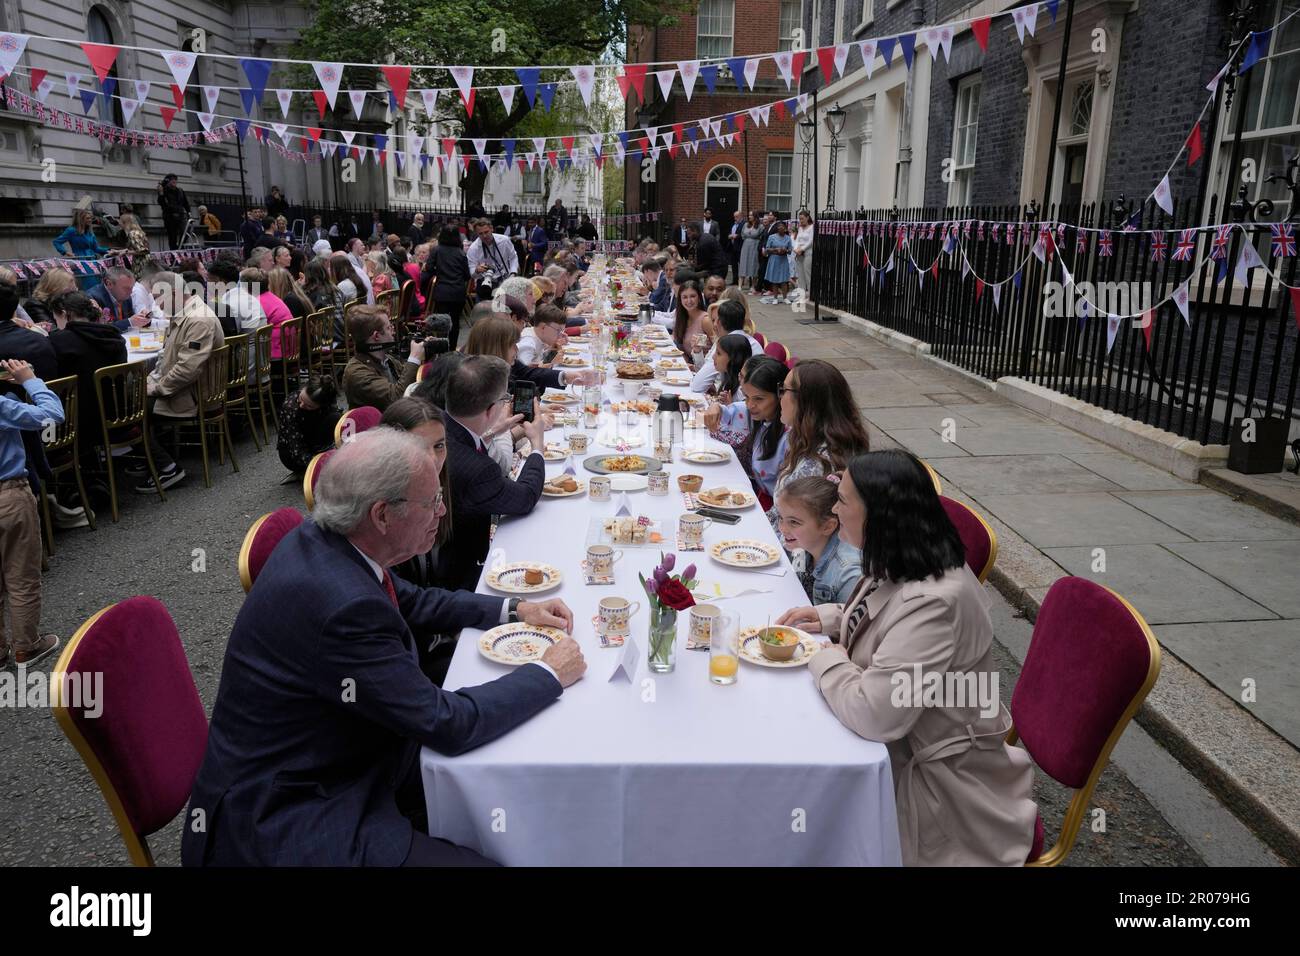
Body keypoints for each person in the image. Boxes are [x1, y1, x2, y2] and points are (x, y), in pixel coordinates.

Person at [183, 426, 585, 866]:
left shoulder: (334, 542)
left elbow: (413, 599)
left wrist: (513, 610)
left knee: (512, 783)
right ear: (382, 515)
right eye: (431, 501)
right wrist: (547, 673)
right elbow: (444, 723)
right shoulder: (344, 606)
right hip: (291, 813)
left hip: (343, 751)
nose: (443, 509)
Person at [777, 450, 1036, 866]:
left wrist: (826, 659)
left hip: (939, 792)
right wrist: (831, 617)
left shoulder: (935, 602)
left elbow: (877, 714)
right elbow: (891, 616)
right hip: (908, 750)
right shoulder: (910, 557)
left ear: (879, 515)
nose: (835, 509)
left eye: (842, 501)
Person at [439, 355, 549, 591]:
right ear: (490, 410)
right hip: (463, 573)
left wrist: (491, 432)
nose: (506, 403)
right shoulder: (478, 470)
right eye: (504, 399)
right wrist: (537, 446)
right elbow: (526, 497)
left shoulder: (439, 424)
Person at [0, 355, 64, 669]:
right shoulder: (2, 406)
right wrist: (30, 380)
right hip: (8, 495)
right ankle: (27, 645)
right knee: (21, 575)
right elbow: (52, 415)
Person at [142, 271, 226, 492]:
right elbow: (167, 362)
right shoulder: (186, 314)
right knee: (130, 401)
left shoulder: (197, 319)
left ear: (174, 293)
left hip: (193, 396)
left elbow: (187, 369)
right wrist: (151, 382)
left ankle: (166, 467)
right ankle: (152, 457)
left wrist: (156, 389)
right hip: (187, 390)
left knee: (128, 411)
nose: (157, 305)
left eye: (158, 298)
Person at [770, 359, 871, 526]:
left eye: (784, 390)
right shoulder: (809, 441)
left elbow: (793, 531)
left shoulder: (817, 463)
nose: (779, 396)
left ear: (805, 401)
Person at [702, 355, 788, 509]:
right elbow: (729, 411)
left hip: (778, 508)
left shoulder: (789, 436)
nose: (750, 405)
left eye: (759, 399)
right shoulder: (761, 417)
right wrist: (715, 406)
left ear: (780, 396)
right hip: (759, 497)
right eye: (747, 397)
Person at [47, 290, 128, 443]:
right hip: (118, 411)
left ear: (65, 314)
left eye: (56, 318)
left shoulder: (60, 341)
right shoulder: (113, 335)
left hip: (80, 421)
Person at [776, 475, 861, 604]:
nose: (782, 528)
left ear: (827, 527)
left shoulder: (848, 574)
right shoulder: (804, 544)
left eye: (794, 522)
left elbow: (845, 622)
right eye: (781, 518)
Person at [341, 304, 425, 411]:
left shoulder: (387, 359)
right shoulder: (356, 373)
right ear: (376, 336)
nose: (393, 331)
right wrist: (414, 358)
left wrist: (426, 358)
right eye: (389, 327)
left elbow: (412, 382)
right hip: (379, 426)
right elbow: (396, 398)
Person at [690, 299, 763, 393]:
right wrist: (697, 352)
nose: (713, 324)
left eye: (714, 320)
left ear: (718, 322)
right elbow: (704, 371)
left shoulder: (728, 344)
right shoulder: (749, 341)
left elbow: (697, 386)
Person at [276, 377, 339, 475]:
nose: (301, 405)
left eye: (309, 405)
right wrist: (315, 465)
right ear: (303, 387)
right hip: (292, 453)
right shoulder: (290, 407)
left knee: (335, 417)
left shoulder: (327, 397)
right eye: (301, 399)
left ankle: (328, 452)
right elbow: (295, 446)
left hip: (317, 439)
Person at [423, 226, 472, 346]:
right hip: (458, 292)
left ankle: (442, 347)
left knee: (442, 322)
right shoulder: (461, 253)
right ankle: (452, 347)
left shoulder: (437, 250)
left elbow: (429, 268)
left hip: (442, 291)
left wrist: (439, 272)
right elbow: (467, 275)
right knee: (455, 322)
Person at [52, 209, 110, 286]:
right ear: (80, 219)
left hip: (93, 260)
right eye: (87, 218)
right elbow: (57, 242)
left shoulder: (89, 232)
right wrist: (66, 252)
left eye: (91, 218)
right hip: (81, 260)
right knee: (88, 284)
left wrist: (109, 250)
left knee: (97, 283)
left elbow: (96, 248)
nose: (90, 220)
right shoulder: (71, 230)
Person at [467, 218, 519, 300]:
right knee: (483, 311)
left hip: (504, 279)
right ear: (476, 233)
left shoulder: (504, 240)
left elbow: (513, 257)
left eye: (486, 232)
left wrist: (513, 273)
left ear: (491, 229)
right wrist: (477, 270)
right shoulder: (473, 248)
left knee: (503, 310)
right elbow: (472, 273)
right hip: (485, 283)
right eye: (480, 234)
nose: (484, 236)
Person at [672, 279, 708, 356]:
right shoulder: (681, 317)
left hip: (704, 365)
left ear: (699, 297)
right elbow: (678, 344)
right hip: (687, 363)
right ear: (680, 299)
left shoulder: (705, 320)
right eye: (685, 297)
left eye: (692, 296)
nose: (689, 301)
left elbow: (717, 347)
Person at [762, 220, 794, 303]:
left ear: (785, 229)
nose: (780, 228)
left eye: (782, 227)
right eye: (779, 227)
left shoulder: (788, 238)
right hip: (774, 259)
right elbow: (767, 249)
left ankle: (785, 298)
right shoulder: (772, 237)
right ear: (777, 228)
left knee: (784, 280)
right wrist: (775, 249)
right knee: (775, 280)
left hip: (783, 259)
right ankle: (775, 298)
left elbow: (790, 250)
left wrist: (785, 250)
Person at [157, 174, 191, 250]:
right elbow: (162, 203)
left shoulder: (180, 191)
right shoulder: (164, 190)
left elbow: (185, 203)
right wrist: (161, 193)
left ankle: (181, 247)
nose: (174, 181)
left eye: (175, 179)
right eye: (172, 179)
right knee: (172, 236)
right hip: (170, 217)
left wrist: (189, 212)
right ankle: (174, 251)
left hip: (181, 215)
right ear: (168, 181)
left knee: (185, 231)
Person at [792, 209, 814, 305]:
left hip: (808, 252)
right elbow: (797, 240)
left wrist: (802, 249)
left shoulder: (812, 227)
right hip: (799, 252)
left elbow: (811, 241)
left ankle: (810, 295)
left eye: (802, 219)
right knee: (800, 275)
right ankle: (802, 295)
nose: (801, 221)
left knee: (807, 273)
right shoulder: (800, 228)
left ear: (807, 218)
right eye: (799, 219)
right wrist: (796, 248)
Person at [345, 238, 376, 304]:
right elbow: (361, 275)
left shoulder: (359, 257)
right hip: (357, 290)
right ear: (354, 246)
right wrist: (364, 262)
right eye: (361, 245)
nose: (364, 247)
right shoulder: (349, 258)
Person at [739, 211, 762, 292]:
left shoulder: (760, 226)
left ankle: (753, 285)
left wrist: (756, 241)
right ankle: (740, 285)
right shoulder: (745, 225)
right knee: (743, 263)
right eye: (749, 215)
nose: (749, 216)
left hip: (754, 246)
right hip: (745, 245)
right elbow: (742, 234)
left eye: (751, 215)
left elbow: (761, 236)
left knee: (754, 264)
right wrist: (747, 239)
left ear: (755, 216)